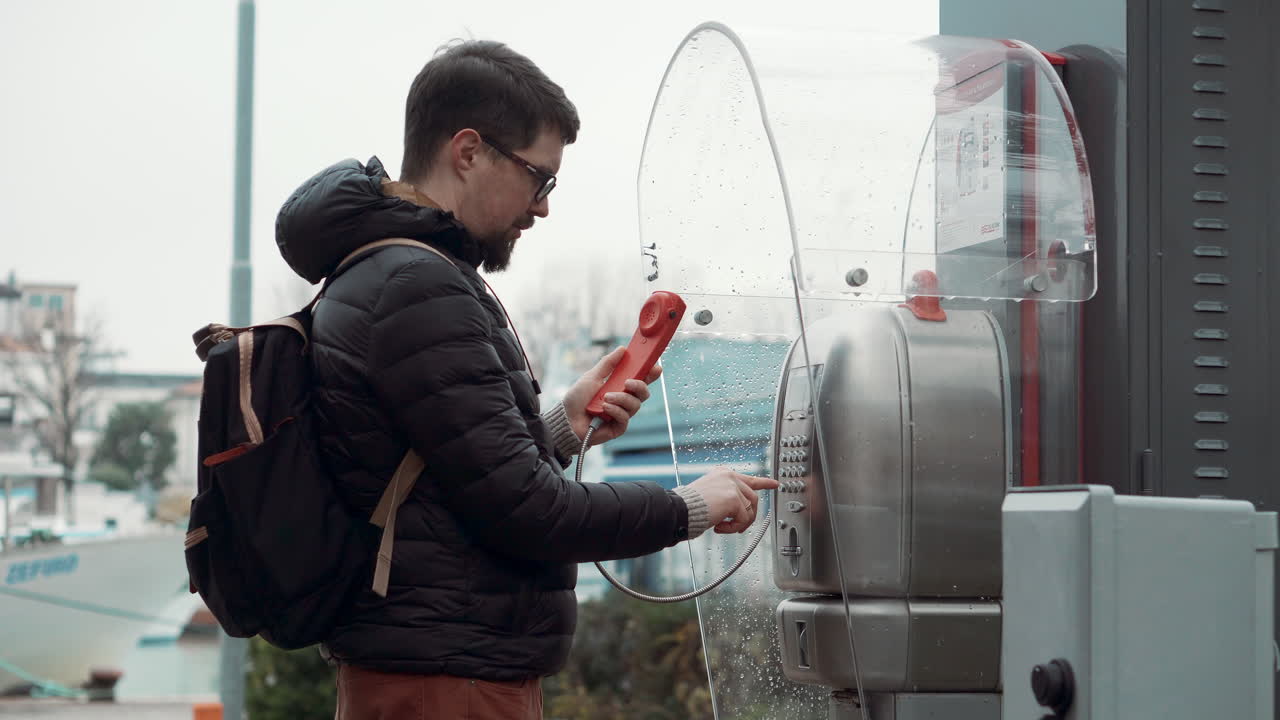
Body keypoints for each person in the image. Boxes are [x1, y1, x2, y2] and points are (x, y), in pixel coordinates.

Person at [272, 39, 776, 720]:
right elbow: (531, 513)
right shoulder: (419, 284)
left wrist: (561, 427)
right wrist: (692, 505)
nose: (542, 207)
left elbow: (443, 483)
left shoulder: (392, 271)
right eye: (541, 178)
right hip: (449, 684)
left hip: (428, 671)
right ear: (469, 151)